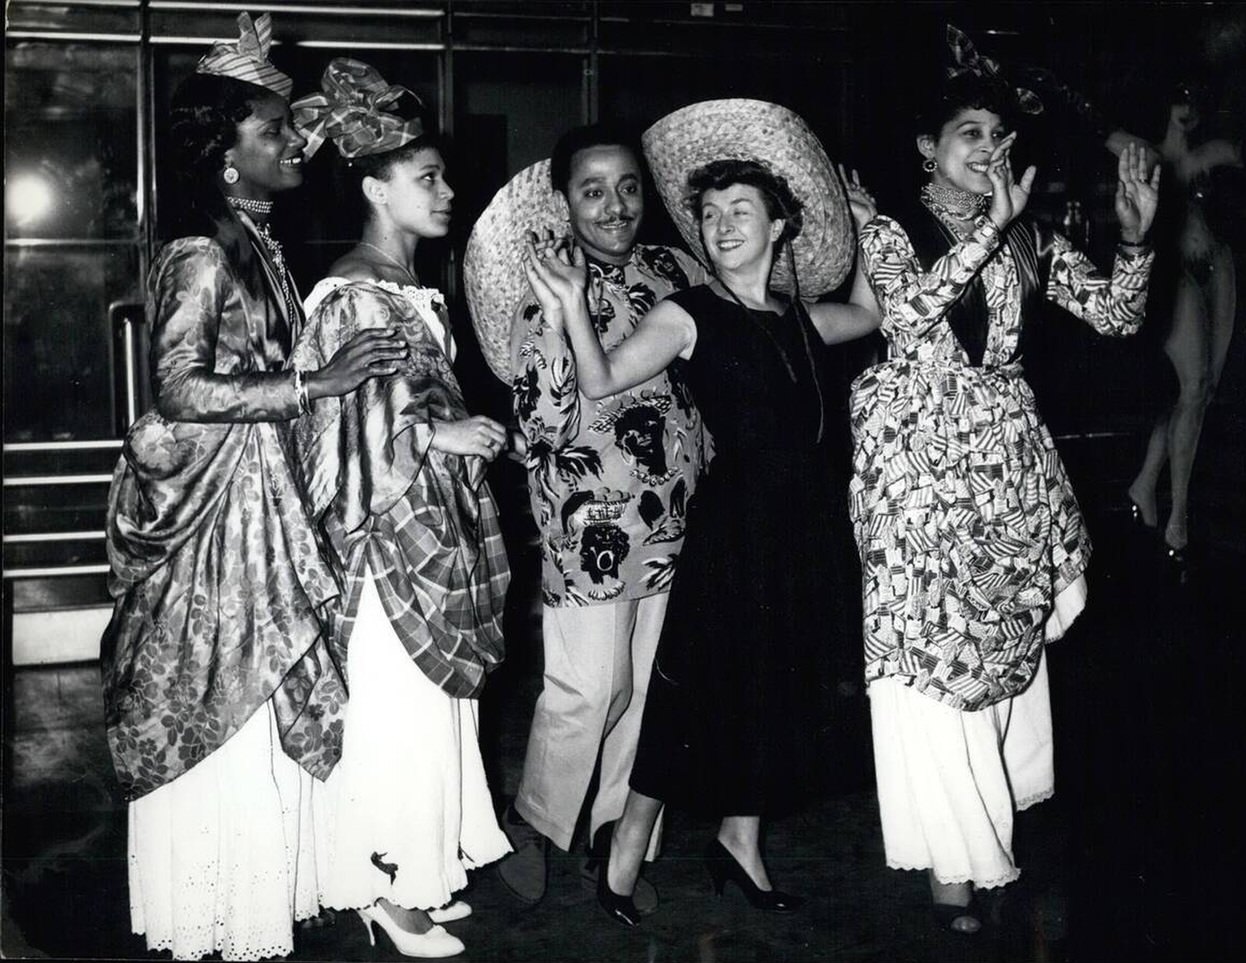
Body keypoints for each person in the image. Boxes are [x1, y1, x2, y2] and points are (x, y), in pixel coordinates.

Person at [524, 98, 880, 927]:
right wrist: (576, 304)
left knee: (776, 692)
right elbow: (605, 378)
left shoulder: (796, 318)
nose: (720, 226)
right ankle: (622, 850)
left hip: (803, 529)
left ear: (781, 225)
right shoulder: (689, 314)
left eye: (739, 211)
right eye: (709, 214)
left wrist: (864, 232)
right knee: (690, 700)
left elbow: (869, 314)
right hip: (734, 531)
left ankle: (739, 840)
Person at [101, 15, 406, 961]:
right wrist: (318, 383)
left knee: (265, 682)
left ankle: (260, 896)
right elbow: (179, 386)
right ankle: (212, 910)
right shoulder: (201, 251)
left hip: (259, 490)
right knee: (221, 686)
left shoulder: (255, 240)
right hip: (214, 511)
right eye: (272, 131)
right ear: (227, 157)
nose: (294, 144)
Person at [848, 34, 1159, 934]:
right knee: (934, 654)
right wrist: (990, 225)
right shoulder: (888, 227)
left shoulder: (1025, 232)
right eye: (968, 133)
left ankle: (997, 812)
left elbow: (1116, 314)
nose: (988, 149)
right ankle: (952, 859)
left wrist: (1136, 234)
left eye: (997, 134)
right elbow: (908, 314)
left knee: (1000, 635)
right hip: (916, 459)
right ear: (926, 148)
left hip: (1003, 454)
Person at [288, 58, 513, 958]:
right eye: (429, 179)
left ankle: (423, 868)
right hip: (384, 545)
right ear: (377, 188)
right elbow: (335, 430)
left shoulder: (409, 290)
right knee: (396, 709)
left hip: (430, 530)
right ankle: (384, 887)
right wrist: (438, 438)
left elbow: (404, 401)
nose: (449, 191)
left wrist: (454, 428)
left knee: (429, 710)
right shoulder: (351, 293)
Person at [462, 125, 709, 912]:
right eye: (593, 189)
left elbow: (705, 384)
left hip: (673, 512)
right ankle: (536, 819)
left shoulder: (675, 269)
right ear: (565, 200)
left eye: (628, 187)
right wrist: (569, 315)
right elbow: (542, 423)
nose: (614, 205)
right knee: (588, 687)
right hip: (587, 523)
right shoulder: (547, 286)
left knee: (645, 689)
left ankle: (615, 830)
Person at [1113, 83, 1242, 560]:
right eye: (1178, 96)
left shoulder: (1217, 151)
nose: (1188, 108)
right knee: (1192, 386)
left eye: (1194, 97)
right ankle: (1178, 517)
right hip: (1174, 272)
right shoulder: (1141, 150)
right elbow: (1099, 132)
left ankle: (1145, 485)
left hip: (1218, 264)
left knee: (1202, 390)